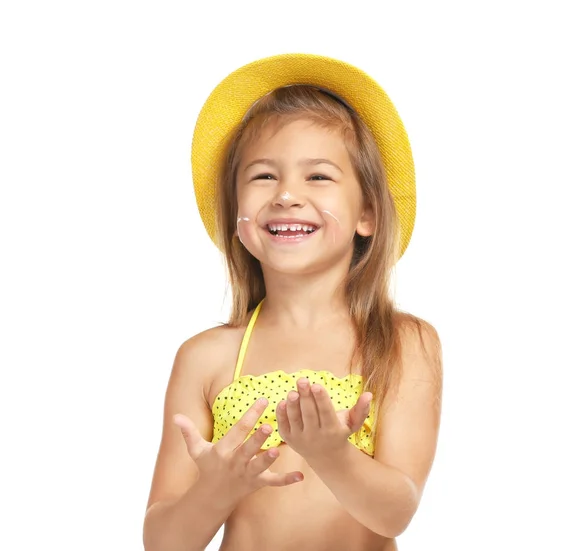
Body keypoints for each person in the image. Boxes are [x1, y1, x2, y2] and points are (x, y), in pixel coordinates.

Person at [142, 53, 443, 551]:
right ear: (236, 213)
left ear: (367, 211)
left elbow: (395, 513)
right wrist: (216, 489)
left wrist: (331, 454)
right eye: (263, 176)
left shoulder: (402, 343)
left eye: (318, 177)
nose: (286, 195)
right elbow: (162, 541)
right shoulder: (204, 358)